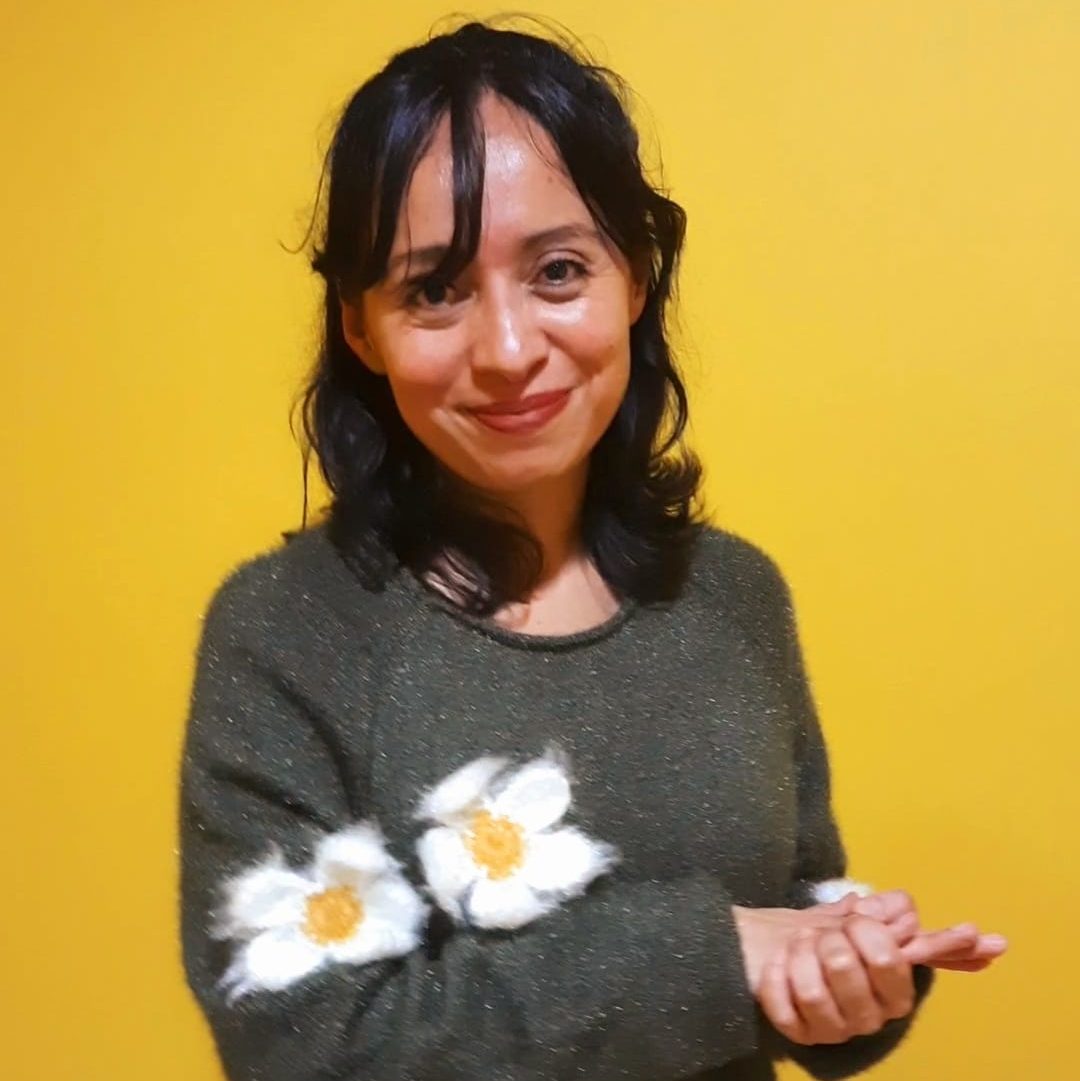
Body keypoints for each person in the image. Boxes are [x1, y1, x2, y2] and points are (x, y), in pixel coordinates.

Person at [178, 18, 1006, 1081]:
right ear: (359, 326)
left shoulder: (733, 594)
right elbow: (300, 1042)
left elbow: (790, 909)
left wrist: (852, 963)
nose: (508, 349)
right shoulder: (285, 632)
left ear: (637, 278)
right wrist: (718, 956)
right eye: (433, 289)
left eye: (559, 271)